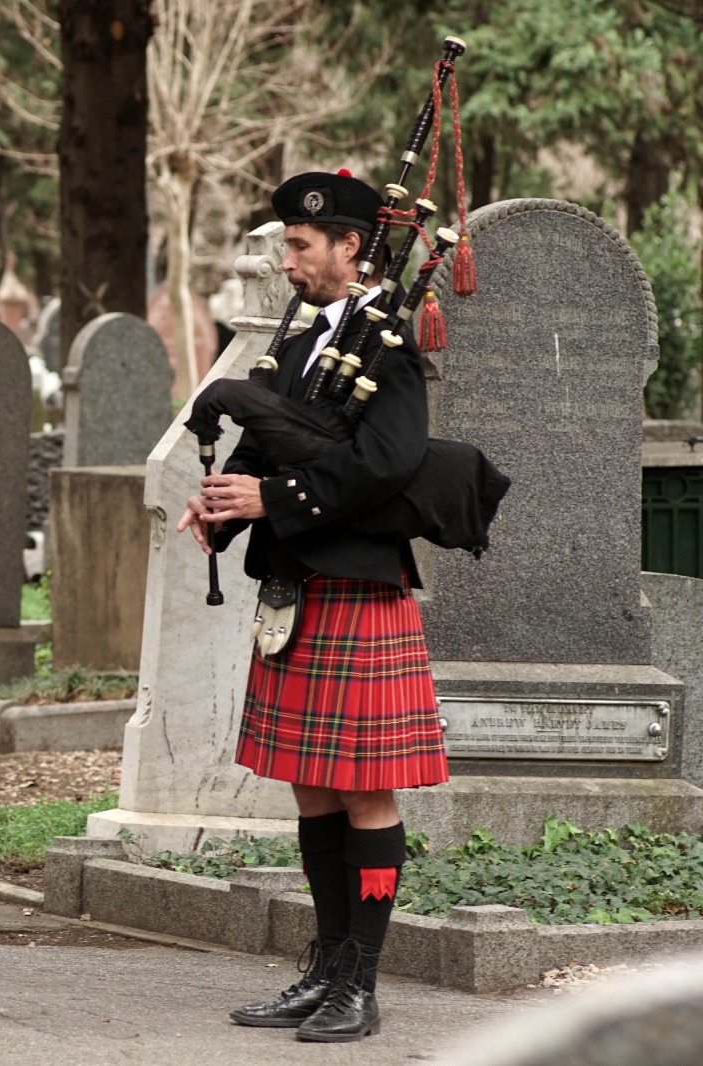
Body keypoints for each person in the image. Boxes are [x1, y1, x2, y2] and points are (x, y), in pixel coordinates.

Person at [177, 171, 448, 1043]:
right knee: (313, 793)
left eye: (300, 246)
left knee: (366, 794)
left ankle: (361, 987)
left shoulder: (391, 348)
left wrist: (274, 500)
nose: (287, 260)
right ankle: (326, 967)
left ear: (350, 248)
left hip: (360, 589)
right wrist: (218, 507)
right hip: (295, 588)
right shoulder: (294, 348)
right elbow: (260, 446)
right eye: (287, 243)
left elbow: (387, 464)